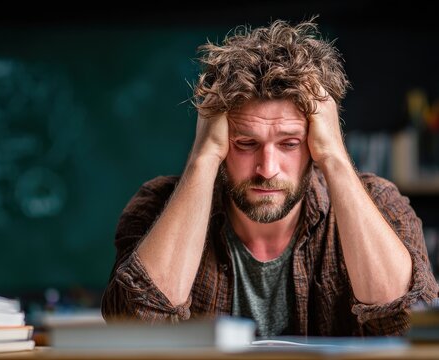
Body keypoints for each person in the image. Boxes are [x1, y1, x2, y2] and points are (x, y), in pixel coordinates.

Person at [101, 19, 439, 336]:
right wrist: (202, 159)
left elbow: (407, 322)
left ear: (314, 141)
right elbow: (134, 328)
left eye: (289, 143)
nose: (267, 168)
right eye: (246, 143)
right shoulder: (156, 202)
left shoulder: (379, 202)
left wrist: (335, 156)